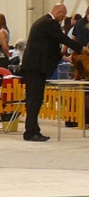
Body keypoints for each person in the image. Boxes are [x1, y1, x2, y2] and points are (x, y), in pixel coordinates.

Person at [22, 3, 89, 142]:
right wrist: (82, 49)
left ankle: (34, 129)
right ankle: (30, 132)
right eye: (62, 15)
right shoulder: (49, 23)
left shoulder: (43, 22)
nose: (63, 18)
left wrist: (67, 58)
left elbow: (52, 47)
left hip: (33, 65)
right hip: (35, 66)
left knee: (34, 99)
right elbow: (63, 39)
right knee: (34, 100)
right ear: (58, 12)